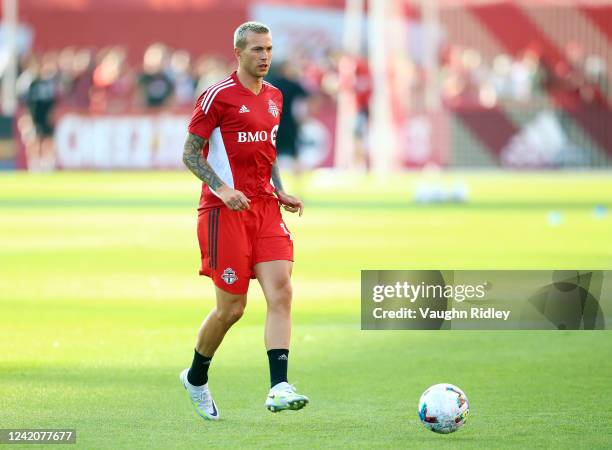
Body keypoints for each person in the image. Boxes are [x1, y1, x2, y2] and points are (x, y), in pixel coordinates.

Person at [179, 21, 309, 421]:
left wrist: (280, 188)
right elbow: (190, 154)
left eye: (268, 49)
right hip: (224, 213)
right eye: (256, 50)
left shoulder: (274, 97)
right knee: (232, 309)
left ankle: (279, 386)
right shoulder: (217, 96)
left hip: (265, 209)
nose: (265, 56)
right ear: (238, 52)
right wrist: (222, 189)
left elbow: (266, 156)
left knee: (281, 291)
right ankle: (196, 376)